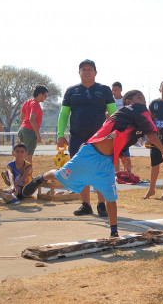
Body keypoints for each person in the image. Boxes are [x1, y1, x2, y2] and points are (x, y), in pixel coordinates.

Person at [22, 90, 163, 238]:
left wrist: (123, 156)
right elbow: (151, 134)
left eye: (144, 99)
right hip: (90, 153)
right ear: (129, 102)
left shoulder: (130, 121)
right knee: (60, 175)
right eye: (139, 98)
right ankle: (40, 179)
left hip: (106, 162)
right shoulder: (136, 110)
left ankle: (114, 233)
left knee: (111, 198)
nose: (143, 101)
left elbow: (120, 137)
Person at [56, 59, 117, 217]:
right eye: (83, 69)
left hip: (100, 138)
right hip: (77, 137)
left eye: (90, 69)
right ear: (79, 72)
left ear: (95, 72)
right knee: (79, 169)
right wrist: (60, 135)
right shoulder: (71, 91)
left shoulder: (104, 90)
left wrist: (116, 132)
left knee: (101, 170)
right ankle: (85, 204)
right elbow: (63, 114)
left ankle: (102, 204)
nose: (87, 72)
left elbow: (113, 113)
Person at [18, 85, 48, 163]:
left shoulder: (28, 102)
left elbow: (22, 115)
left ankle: (14, 171)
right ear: (40, 94)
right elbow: (32, 119)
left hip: (22, 129)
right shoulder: (36, 104)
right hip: (30, 131)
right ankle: (27, 175)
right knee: (28, 155)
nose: (45, 98)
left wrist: (25, 125)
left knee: (20, 153)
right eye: (45, 96)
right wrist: (38, 134)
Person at [111, 81, 131, 172]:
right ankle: (117, 173)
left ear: (121, 89)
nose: (114, 92)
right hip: (113, 130)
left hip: (124, 130)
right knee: (115, 153)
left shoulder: (125, 101)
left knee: (125, 153)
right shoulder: (110, 101)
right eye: (113, 90)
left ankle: (129, 173)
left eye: (116, 90)